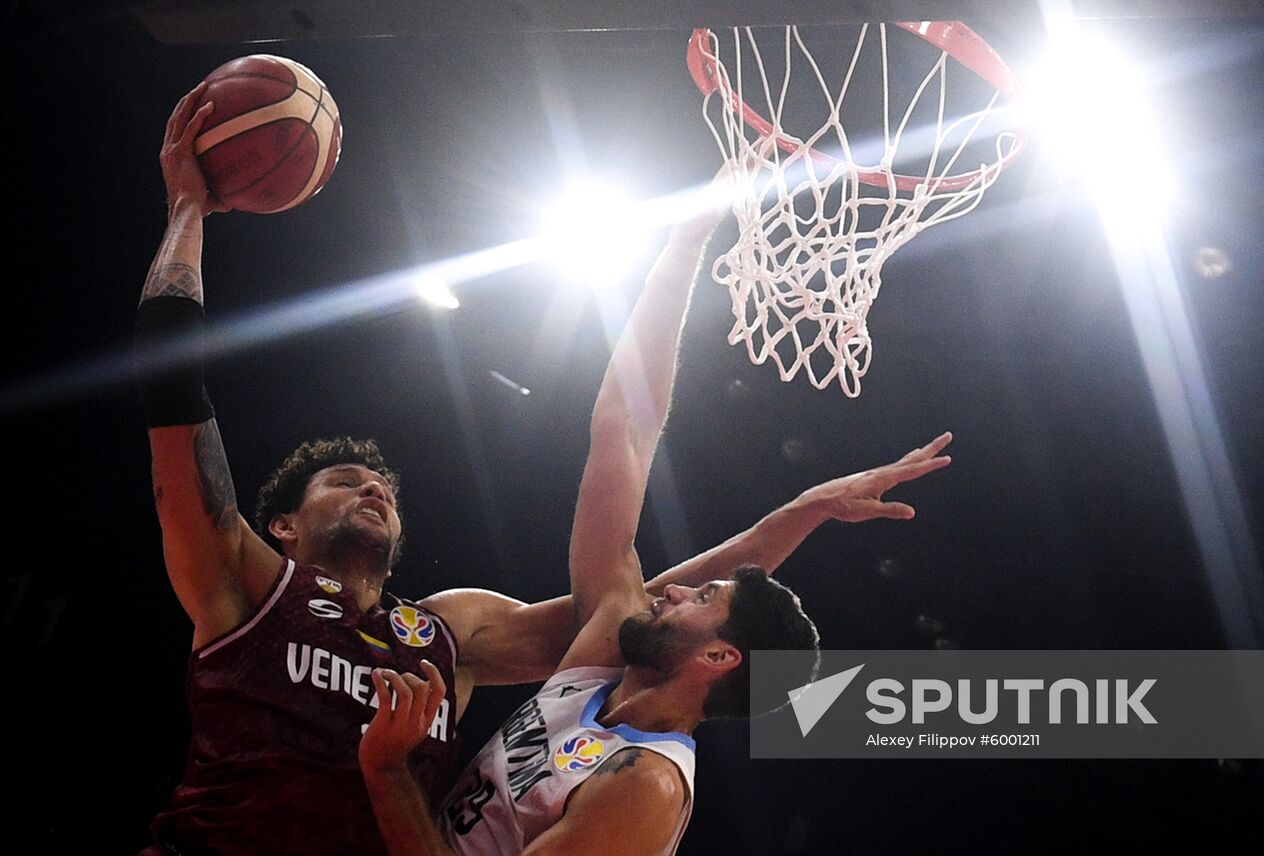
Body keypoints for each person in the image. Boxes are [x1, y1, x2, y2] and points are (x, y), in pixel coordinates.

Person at [137, 83, 949, 855]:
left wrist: (385, 771)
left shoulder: (463, 641)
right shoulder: (254, 588)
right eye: (342, 482)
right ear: (282, 523)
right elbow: (624, 457)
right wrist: (187, 209)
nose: (372, 486)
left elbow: (667, 606)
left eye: (377, 481)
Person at [356, 152, 956, 854]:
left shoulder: (644, 787)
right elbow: (624, 431)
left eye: (702, 599)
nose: (673, 592)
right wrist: (684, 246)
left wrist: (388, 769)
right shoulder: (600, 664)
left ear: (719, 657)